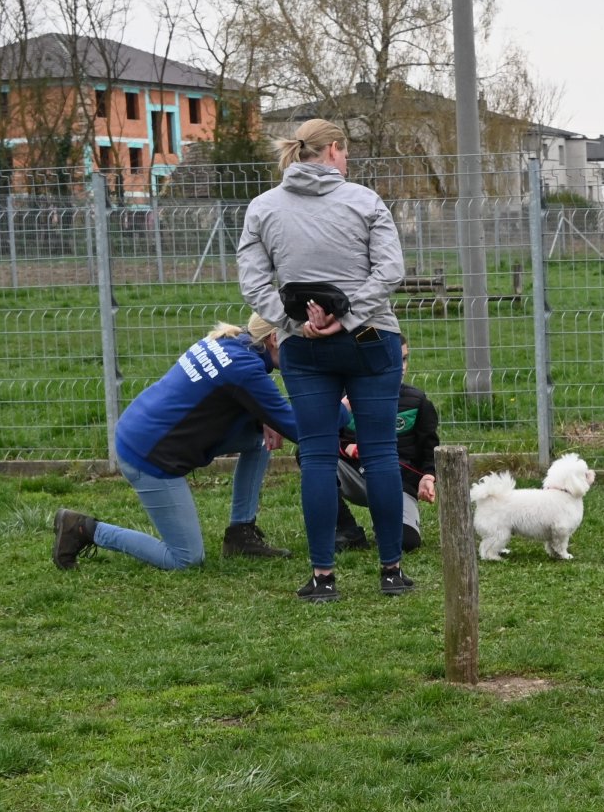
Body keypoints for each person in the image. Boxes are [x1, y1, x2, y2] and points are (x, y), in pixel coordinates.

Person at [237, 116, 409, 603]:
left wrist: (295, 323)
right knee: (379, 453)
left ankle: (323, 578)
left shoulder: (263, 208)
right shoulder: (364, 201)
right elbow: (390, 270)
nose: (347, 159)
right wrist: (348, 314)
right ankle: (391, 571)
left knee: (315, 456)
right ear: (334, 149)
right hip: (371, 339)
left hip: (303, 347)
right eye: (345, 151)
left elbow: (252, 283)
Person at [52, 315, 299, 572]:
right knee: (186, 559)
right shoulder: (243, 368)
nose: (301, 351)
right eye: (297, 342)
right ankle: (83, 528)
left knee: (259, 439)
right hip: (148, 455)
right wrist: (341, 409)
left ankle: (241, 534)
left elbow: (223, 396)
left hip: (140, 429)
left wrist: (264, 417)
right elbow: (296, 426)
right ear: (273, 339)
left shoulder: (232, 343)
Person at [335, 339, 438, 553]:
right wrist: (346, 447)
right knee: (311, 457)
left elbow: (430, 450)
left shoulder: (418, 402)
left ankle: (386, 519)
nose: (401, 366)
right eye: (393, 359)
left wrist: (428, 477)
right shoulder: (347, 399)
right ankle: (347, 529)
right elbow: (323, 437)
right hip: (358, 477)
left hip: (398, 485)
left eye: (404, 358)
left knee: (405, 543)